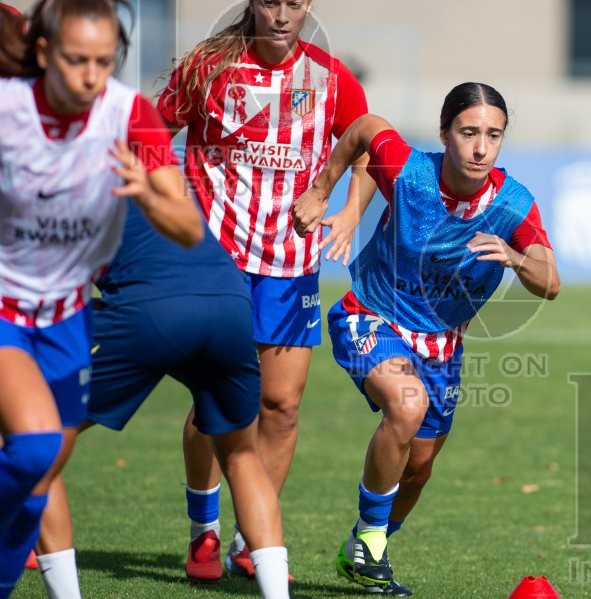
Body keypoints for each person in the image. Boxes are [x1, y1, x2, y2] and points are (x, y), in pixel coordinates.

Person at [292, 81, 561, 595]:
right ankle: (371, 545)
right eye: (468, 132)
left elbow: (550, 283)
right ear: (445, 133)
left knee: (417, 470)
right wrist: (329, 194)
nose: (481, 147)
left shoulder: (513, 204)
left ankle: (364, 545)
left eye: (493, 135)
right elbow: (367, 128)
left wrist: (514, 256)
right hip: (370, 315)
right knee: (407, 403)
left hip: (442, 347)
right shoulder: (412, 173)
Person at [155, 0, 375, 579]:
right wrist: (173, 204)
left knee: (280, 408)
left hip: (292, 264)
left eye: (295, 2)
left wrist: (351, 211)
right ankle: (203, 531)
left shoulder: (329, 78)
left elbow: (367, 146)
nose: (282, 14)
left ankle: (250, 540)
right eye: (271, 1)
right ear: (253, 3)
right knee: (215, 400)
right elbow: (151, 136)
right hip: (215, 261)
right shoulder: (208, 68)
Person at [0, 0, 204, 596]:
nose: (91, 75)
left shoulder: (126, 114)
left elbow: (188, 228)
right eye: (75, 60)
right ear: (43, 53)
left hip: (65, 317)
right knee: (36, 449)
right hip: (5, 310)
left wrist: (147, 192)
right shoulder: (9, 111)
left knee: (38, 482)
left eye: (103, 59)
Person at [34, 199, 290, 599]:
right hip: (231, 301)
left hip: (153, 309)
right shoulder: (144, 171)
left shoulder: (50, 183)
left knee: (35, 440)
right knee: (242, 456)